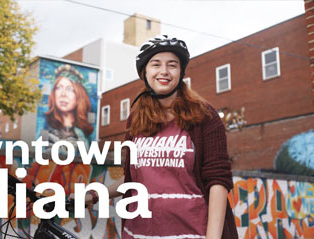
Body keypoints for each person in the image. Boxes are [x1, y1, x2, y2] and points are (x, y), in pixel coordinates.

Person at [84, 35, 238, 238]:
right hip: (138, 233)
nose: (164, 71)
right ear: (145, 72)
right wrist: (93, 194)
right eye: (156, 64)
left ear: (181, 72)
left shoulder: (204, 116)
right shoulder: (136, 120)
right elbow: (133, 179)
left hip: (193, 232)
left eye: (172, 65)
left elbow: (218, 181)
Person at [43, 64, 93, 153]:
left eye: (70, 89)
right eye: (58, 88)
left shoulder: (85, 134)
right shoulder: (45, 128)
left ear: (79, 94)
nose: (63, 94)